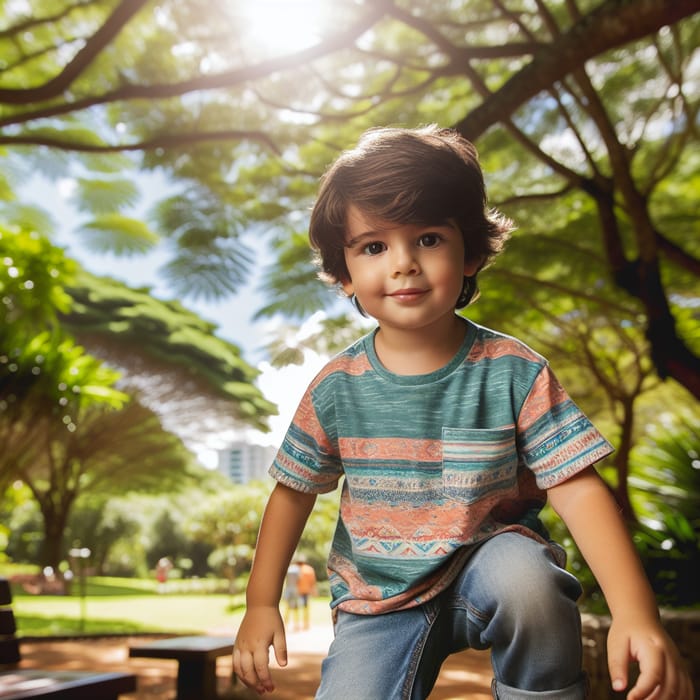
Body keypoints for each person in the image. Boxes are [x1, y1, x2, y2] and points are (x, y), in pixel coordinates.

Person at [232, 125, 692, 699]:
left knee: (530, 582)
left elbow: (577, 488)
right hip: (380, 600)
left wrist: (636, 614)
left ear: (470, 251)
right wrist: (260, 602)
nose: (403, 264)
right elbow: (293, 492)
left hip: (492, 566)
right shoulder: (334, 389)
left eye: (427, 239)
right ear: (345, 272)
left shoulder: (514, 372)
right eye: (374, 246)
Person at [295, 555, 318, 630]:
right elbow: (313, 582)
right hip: (306, 591)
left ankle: (297, 624)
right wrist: (314, 591)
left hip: (298, 591)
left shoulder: (296, 569)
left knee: (296, 608)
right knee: (306, 608)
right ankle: (306, 624)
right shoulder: (309, 569)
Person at [282, 560, 301, 630]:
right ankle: (296, 625)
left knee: (287, 607)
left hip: (288, 590)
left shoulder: (287, 569)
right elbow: (299, 579)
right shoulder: (297, 569)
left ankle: (285, 624)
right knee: (296, 608)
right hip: (294, 589)